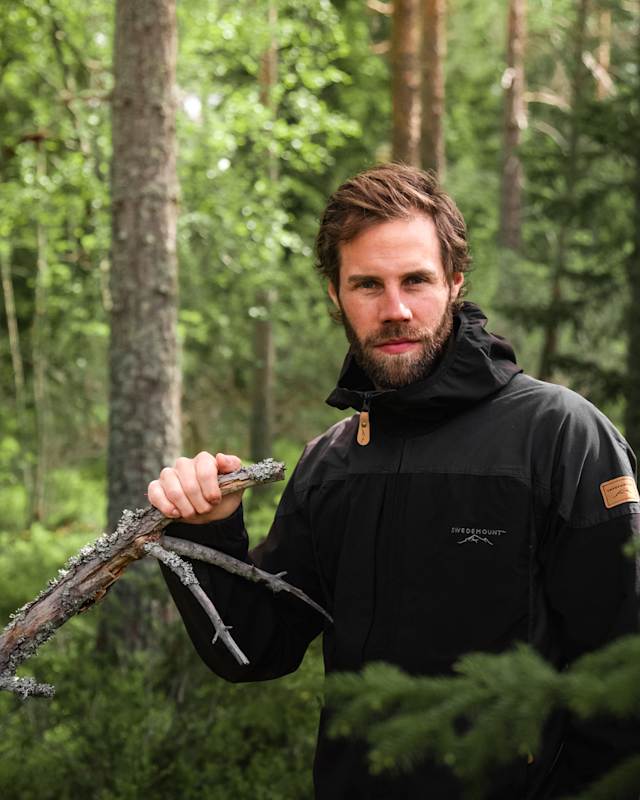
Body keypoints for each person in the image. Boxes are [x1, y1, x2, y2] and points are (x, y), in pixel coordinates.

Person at [148, 164, 640, 799]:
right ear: (335, 293)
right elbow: (255, 650)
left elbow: (622, 684)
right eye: (367, 285)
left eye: (416, 280)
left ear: (455, 281)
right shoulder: (330, 464)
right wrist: (210, 532)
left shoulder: (560, 435)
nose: (396, 310)